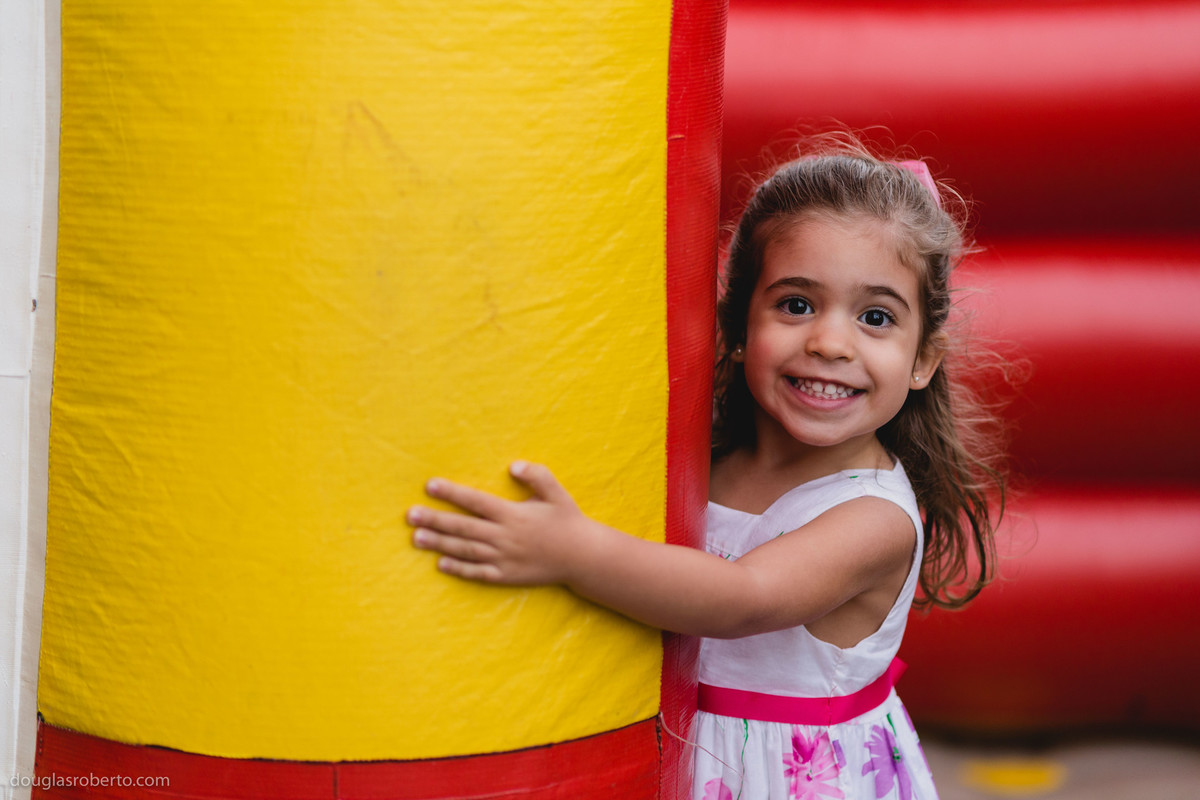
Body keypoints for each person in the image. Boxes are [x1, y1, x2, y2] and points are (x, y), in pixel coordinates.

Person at [406, 138, 1005, 799]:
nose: (830, 343)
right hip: (685, 754)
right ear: (740, 322)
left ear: (923, 359)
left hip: (789, 779)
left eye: (875, 317)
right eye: (796, 304)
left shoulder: (872, 519)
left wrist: (571, 552)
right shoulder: (708, 458)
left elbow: (742, 599)